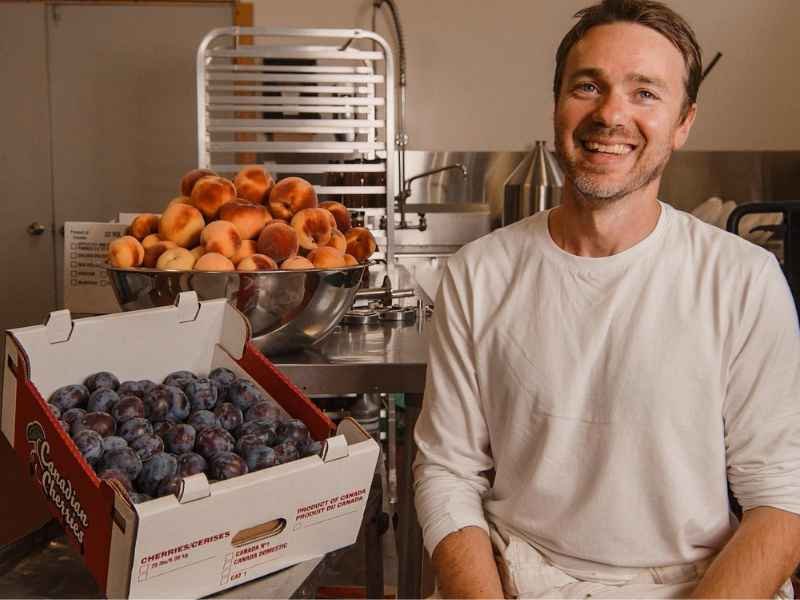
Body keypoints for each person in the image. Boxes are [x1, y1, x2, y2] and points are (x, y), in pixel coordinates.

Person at [412, 0, 800, 597]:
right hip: (521, 577)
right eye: (588, 86)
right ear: (556, 103)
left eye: (645, 92)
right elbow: (447, 471)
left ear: (684, 121)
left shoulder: (743, 281)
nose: (611, 114)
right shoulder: (478, 274)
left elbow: (781, 497)